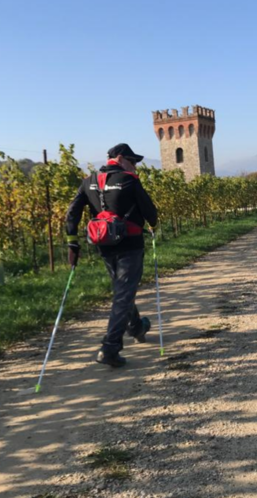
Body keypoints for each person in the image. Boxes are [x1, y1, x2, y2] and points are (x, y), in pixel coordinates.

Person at [65, 143, 158, 368]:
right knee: (123, 294)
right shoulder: (129, 180)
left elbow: (72, 214)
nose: (135, 166)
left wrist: (73, 245)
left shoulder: (89, 181)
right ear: (119, 158)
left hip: (104, 246)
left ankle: (136, 327)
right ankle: (110, 347)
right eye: (132, 161)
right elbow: (151, 215)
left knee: (122, 290)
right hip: (131, 245)